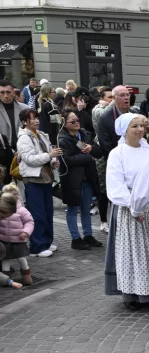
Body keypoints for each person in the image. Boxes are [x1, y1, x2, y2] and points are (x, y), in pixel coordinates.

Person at [105, 112, 149, 309]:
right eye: (134, 126)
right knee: (135, 251)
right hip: (130, 205)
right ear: (124, 130)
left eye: (141, 126)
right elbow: (115, 184)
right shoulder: (117, 153)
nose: (140, 130)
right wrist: (132, 206)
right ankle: (134, 293)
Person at [17, 108, 62, 257]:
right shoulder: (24, 138)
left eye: (37, 118)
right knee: (37, 214)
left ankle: (46, 242)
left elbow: (49, 154)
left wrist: (54, 160)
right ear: (25, 121)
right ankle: (37, 246)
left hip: (46, 178)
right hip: (33, 179)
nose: (36, 121)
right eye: (32, 118)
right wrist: (50, 155)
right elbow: (29, 159)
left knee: (48, 212)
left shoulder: (41, 134)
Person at [57, 110, 105, 250]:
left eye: (77, 120)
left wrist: (91, 148)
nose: (76, 123)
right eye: (72, 121)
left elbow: (99, 152)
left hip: (88, 177)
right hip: (72, 179)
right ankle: (75, 238)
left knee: (86, 208)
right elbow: (66, 160)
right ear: (65, 124)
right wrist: (89, 157)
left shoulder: (84, 134)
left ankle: (88, 235)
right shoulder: (62, 139)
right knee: (73, 208)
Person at [0, 183, 33, 286]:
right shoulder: (3, 209)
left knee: (21, 258)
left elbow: (29, 222)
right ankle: (6, 279)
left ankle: (27, 276)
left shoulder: (22, 211)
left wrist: (25, 232)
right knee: (5, 259)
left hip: (18, 240)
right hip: (4, 239)